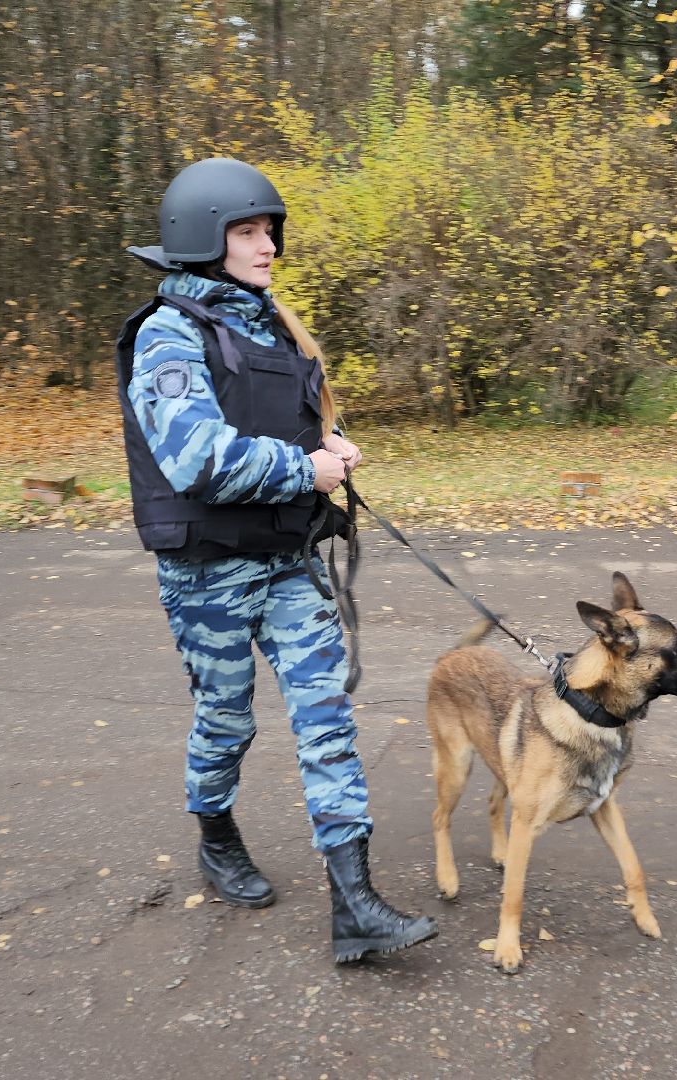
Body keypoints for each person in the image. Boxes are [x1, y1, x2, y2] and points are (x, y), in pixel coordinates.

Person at [116, 157, 436, 963]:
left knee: (326, 716)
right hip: (207, 571)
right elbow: (196, 459)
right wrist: (306, 471)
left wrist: (324, 444)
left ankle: (355, 903)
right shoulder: (168, 333)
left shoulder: (266, 324)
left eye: (270, 233)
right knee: (226, 719)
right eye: (249, 233)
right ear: (202, 238)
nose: (268, 249)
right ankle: (215, 831)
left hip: (285, 559)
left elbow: (273, 423)